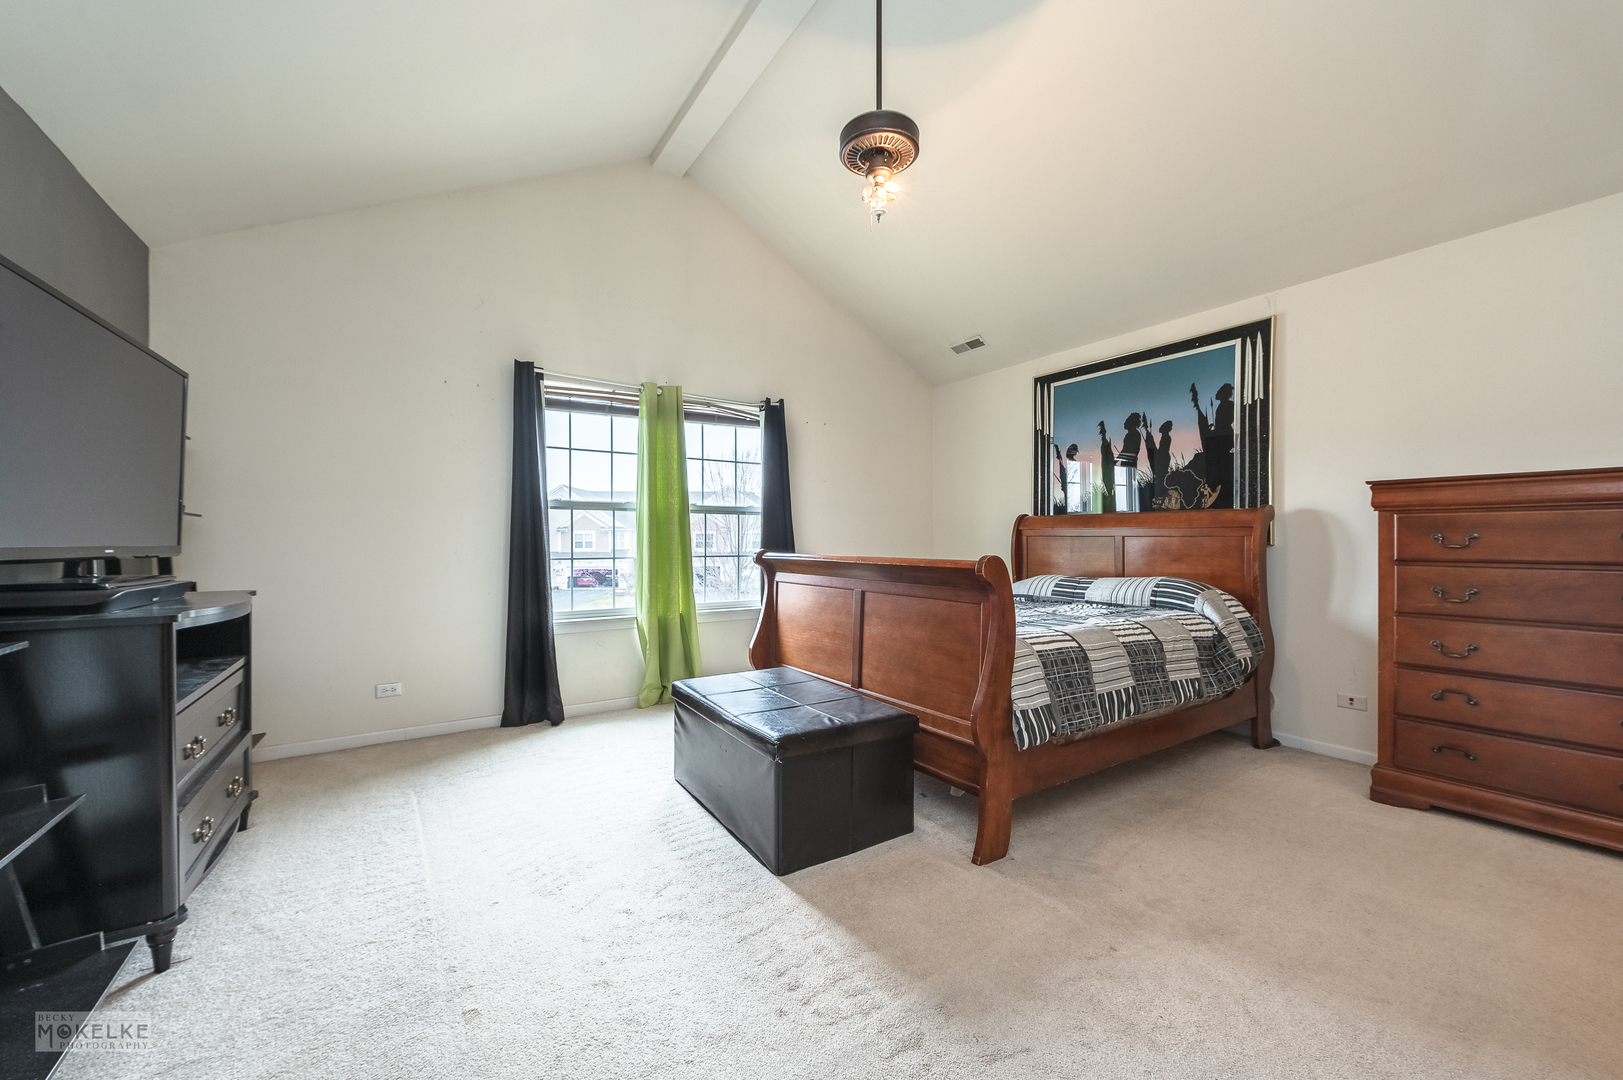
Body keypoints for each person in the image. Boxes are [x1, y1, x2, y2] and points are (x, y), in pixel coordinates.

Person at [1146, 418, 1173, 507]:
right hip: (1163, 457)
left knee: (1161, 476)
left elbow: (1163, 450)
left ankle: (1161, 495)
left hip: (1163, 458)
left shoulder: (1166, 437)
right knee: (1161, 476)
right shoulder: (1165, 437)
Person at [1097, 421, 1116, 513]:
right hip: (1106, 468)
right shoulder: (1104, 444)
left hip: (1108, 468)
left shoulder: (1106, 445)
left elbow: (1109, 458)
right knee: (1108, 483)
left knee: (1109, 483)